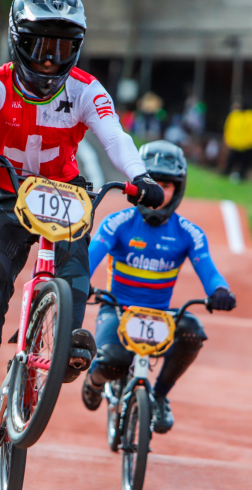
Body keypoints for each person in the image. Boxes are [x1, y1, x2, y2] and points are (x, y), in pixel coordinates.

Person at [0, 0, 165, 444]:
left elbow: (114, 136)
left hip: (67, 193)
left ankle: (66, 330)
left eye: (63, 46)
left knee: (74, 269)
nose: (50, 58)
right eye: (40, 45)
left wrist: (139, 174)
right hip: (6, 195)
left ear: (78, 48)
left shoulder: (89, 90)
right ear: (17, 40)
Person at [81, 141, 236, 433]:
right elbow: (87, 264)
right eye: (154, 184)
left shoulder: (189, 233)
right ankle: (94, 381)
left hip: (160, 316)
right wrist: (82, 283)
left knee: (192, 331)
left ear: (179, 189)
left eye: (167, 185)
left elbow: (210, 272)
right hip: (117, 310)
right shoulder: (117, 223)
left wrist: (220, 292)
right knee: (114, 360)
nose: (160, 193)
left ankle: (160, 395)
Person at [223, 100, 252, 183]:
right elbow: (228, 129)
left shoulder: (251, 116)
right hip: (235, 144)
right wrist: (229, 141)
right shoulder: (234, 115)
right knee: (231, 162)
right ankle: (226, 174)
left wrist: (251, 142)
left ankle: (242, 177)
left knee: (244, 164)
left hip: (247, 146)